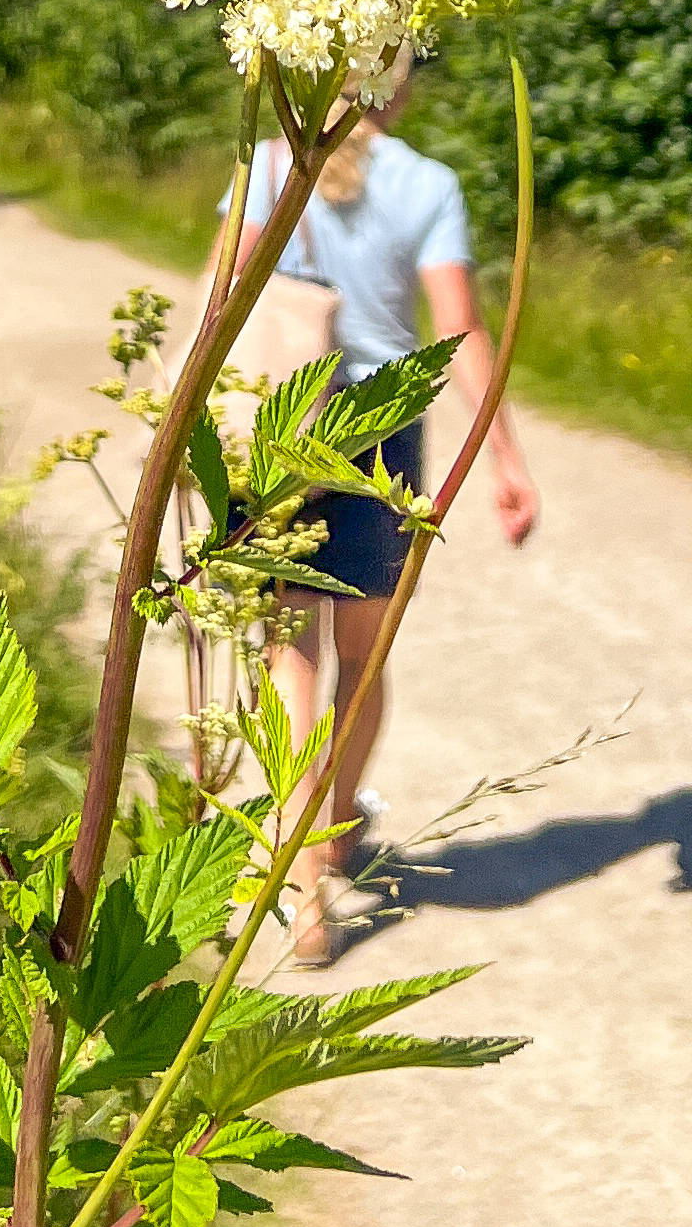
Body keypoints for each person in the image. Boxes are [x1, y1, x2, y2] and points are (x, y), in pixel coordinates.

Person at [228, 55, 538, 967]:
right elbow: (459, 331)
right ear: (398, 91)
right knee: (361, 663)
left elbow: (225, 299)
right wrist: (504, 458)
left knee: (291, 656)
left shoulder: (268, 164)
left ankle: (295, 883)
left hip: (279, 425)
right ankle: (324, 855)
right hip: (381, 436)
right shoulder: (428, 185)